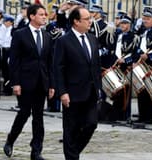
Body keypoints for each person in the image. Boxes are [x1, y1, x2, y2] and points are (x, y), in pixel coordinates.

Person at [3, 4, 55, 160]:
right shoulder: (20, 34)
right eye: (41, 14)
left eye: (45, 14)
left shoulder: (47, 36)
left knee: (38, 117)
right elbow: (14, 61)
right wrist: (15, 83)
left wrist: (52, 84)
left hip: (42, 82)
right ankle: (10, 140)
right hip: (25, 82)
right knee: (24, 113)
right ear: (32, 16)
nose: (45, 17)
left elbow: (50, 62)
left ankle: (36, 151)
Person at [54, 7, 101, 160]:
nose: (90, 22)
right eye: (87, 19)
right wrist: (62, 92)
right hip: (72, 92)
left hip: (91, 92)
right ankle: (72, 157)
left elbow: (95, 66)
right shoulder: (64, 41)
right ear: (76, 21)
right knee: (70, 129)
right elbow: (58, 69)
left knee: (91, 124)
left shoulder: (92, 39)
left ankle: (73, 153)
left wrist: (99, 88)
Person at [1, 14, 15, 96]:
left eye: (6, 21)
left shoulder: (13, 30)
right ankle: (5, 88)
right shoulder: (4, 29)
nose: (4, 23)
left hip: (10, 50)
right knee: (4, 71)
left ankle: (8, 90)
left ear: (10, 22)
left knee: (9, 72)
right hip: (4, 50)